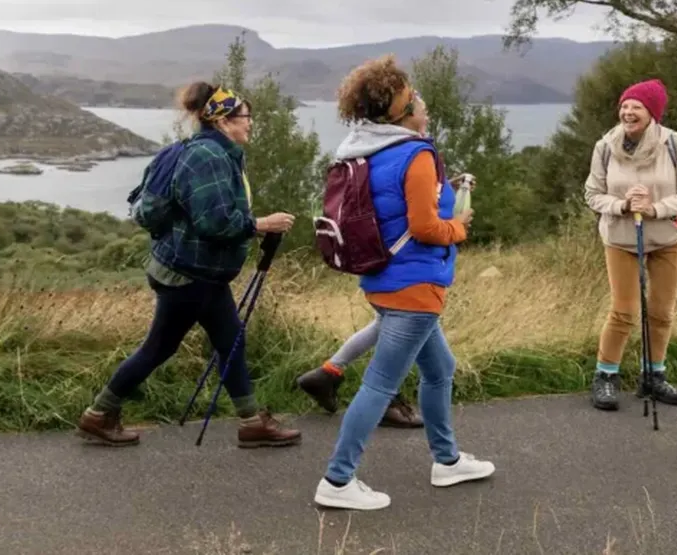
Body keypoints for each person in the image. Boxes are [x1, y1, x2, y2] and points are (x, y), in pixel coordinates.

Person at [313, 55, 495, 511]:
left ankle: (447, 461)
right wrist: (461, 226)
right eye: (415, 97)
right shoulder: (416, 153)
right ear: (401, 109)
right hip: (414, 286)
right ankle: (337, 481)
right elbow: (429, 227)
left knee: (439, 370)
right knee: (379, 385)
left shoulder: (364, 149)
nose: (424, 104)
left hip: (382, 278)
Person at [76, 82, 302, 448]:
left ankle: (250, 421)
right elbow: (213, 223)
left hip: (194, 270)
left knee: (223, 341)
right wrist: (261, 225)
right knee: (170, 347)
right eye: (246, 116)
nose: (251, 123)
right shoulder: (207, 158)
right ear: (224, 121)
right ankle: (100, 414)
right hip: (190, 273)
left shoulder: (210, 151)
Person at [295, 176, 476, 429]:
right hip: (403, 265)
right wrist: (456, 224)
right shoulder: (409, 149)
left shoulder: (381, 149)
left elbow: (400, 193)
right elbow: (418, 217)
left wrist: (444, 188)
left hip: (380, 255)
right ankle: (384, 405)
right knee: (403, 330)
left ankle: (329, 372)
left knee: (386, 323)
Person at [583, 78, 677, 411]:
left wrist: (654, 209)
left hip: (668, 237)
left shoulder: (674, 144)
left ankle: (653, 377)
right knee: (623, 312)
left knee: (661, 312)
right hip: (622, 238)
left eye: (636, 106)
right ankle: (605, 378)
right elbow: (592, 194)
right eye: (624, 106)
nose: (628, 111)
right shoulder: (605, 146)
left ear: (652, 112)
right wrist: (623, 205)